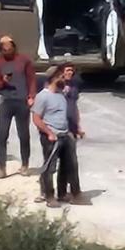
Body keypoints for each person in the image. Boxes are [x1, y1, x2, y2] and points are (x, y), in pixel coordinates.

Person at [32, 66, 88, 208]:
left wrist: (75, 129)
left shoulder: (61, 95)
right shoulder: (43, 96)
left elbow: (69, 113)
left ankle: (72, 194)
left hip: (65, 134)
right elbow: (36, 119)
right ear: (53, 78)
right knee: (50, 168)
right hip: (51, 137)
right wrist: (49, 133)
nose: (64, 79)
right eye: (61, 77)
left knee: (71, 165)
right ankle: (49, 196)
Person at [0, 36, 37, 179]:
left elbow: (31, 79)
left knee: (23, 134)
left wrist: (31, 96)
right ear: (0, 50)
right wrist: (3, 82)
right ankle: (2, 168)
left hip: (22, 101)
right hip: (6, 101)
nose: (8, 52)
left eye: (10, 49)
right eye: (4, 50)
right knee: (2, 135)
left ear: (14, 47)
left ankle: (25, 165)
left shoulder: (24, 60)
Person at [56, 62, 83, 202]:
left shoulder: (74, 86)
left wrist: (78, 126)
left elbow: (75, 106)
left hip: (71, 127)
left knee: (70, 162)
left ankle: (72, 193)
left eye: (72, 70)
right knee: (57, 162)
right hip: (58, 128)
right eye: (67, 70)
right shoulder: (56, 86)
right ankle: (52, 192)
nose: (70, 73)